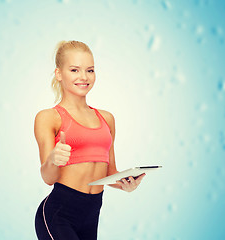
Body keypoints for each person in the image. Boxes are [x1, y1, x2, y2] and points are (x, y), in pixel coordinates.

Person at [34, 40, 146, 240]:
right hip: (58, 214)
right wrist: (53, 159)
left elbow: (110, 173)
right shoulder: (49, 117)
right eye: (75, 70)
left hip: (91, 214)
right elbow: (48, 177)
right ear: (59, 74)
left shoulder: (106, 119)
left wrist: (125, 183)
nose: (84, 77)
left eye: (90, 70)